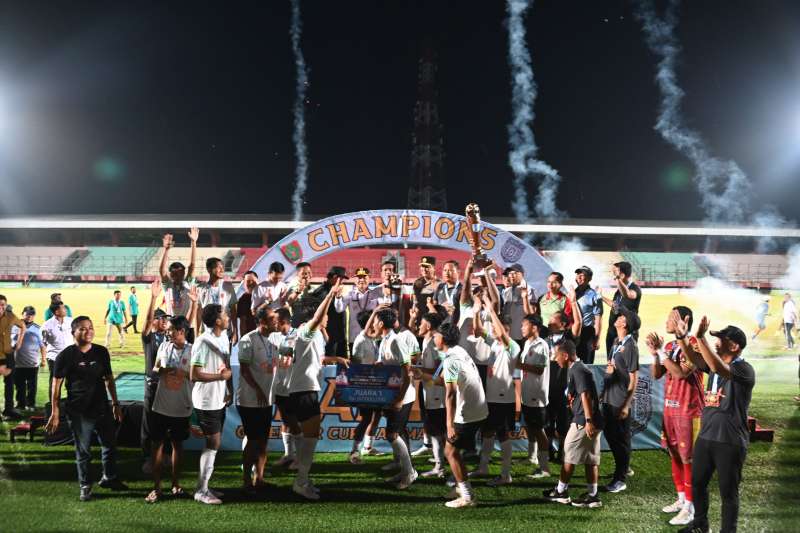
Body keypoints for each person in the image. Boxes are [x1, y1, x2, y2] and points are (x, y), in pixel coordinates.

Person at [670, 315, 755, 533]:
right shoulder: (714, 366)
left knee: (728, 492)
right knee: (697, 483)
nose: (716, 342)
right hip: (706, 437)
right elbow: (695, 359)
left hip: (730, 440)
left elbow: (717, 367)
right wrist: (682, 337)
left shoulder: (744, 369)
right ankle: (700, 525)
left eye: (721, 339)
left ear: (734, 346)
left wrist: (700, 337)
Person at [45, 316, 128, 501]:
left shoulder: (101, 352)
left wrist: (115, 404)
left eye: (90, 327)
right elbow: (56, 385)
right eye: (82, 329)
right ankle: (85, 485)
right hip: (79, 411)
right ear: (73, 332)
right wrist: (55, 411)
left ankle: (109, 478)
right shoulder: (65, 356)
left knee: (109, 445)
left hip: (102, 408)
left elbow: (109, 379)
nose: (88, 331)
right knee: (84, 451)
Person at [285, 278, 349, 500]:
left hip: (303, 388)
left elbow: (317, 359)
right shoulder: (306, 330)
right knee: (311, 437)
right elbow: (316, 319)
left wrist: (336, 359)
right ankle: (301, 481)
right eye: (324, 315)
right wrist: (330, 295)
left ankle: (303, 477)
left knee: (309, 436)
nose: (327, 317)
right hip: (304, 389)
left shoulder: (313, 336)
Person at [647, 306, 705, 526]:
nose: (666, 322)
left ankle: (691, 507)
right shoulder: (671, 346)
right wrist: (655, 354)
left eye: (671, 318)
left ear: (684, 320)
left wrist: (661, 352)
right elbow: (657, 374)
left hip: (688, 410)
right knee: (674, 455)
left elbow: (681, 374)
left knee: (688, 458)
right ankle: (681, 499)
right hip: (670, 409)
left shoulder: (694, 345)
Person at [544, 339, 604, 509]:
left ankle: (561, 492)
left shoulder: (578, 370)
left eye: (556, 355)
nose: (554, 359)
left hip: (583, 421)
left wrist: (588, 421)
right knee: (590, 459)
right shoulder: (577, 368)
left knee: (569, 455)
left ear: (565, 355)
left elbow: (586, 395)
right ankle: (593, 496)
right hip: (589, 419)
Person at [437, 322, 488, 508]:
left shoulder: (450, 359)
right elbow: (444, 380)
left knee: (450, 451)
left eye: (436, 335)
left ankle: (467, 496)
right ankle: (460, 488)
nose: (434, 338)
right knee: (454, 451)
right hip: (479, 408)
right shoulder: (459, 351)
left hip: (467, 411)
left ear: (443, 339)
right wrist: (424, 376)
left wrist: (449, 424)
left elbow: (450, 394)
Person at [471, 304, 521, 487]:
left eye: (495, 327)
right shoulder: (494, 343)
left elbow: (501, 335)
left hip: (503, 398)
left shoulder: (512, 346)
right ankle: (483, 467)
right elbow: (478, 331)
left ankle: (505, 474)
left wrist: (492, 310)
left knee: (503, 434)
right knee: (487, 432)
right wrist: (476, 311)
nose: (492, 329)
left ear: (506, 329)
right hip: (491, 397)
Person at [145, 315, 194, 503]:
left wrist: (184, 373)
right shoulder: (164, 346)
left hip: (182, 406)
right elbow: (156, 368)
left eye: (171, 329)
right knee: (156, 445)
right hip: (161, 405)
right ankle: (157, 487)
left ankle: (175, 484)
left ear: (181, 331)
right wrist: (164, 370)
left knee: (177, 446)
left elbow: (197, 375)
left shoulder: (193, 350)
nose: (168, 332)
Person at [190, 303, 233, 505]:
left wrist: (229, 388)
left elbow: (225, 367)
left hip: (218, 399)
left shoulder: (223, 337)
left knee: (214, 444)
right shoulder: (202, 342)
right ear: (217, 321)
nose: (228, 317)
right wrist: (220, 377)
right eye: (225, 315)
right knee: (213, 443)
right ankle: (201, 490)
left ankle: (204, 486)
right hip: (206, 401)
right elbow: (194, 374)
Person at [374, 307, 421, 490]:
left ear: (381, 323)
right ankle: (404, 470)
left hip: (403, 396)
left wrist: (400, 399)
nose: (374, 324)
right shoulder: (385, 340)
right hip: (392, 394)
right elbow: (390, 363)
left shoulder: (396, 341)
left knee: (392, 434)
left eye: (376, 320)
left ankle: (410, 473)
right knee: (397, 433)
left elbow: (407, 372)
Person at [237, 307, 278, 495]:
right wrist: (258, 390)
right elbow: (244, 370)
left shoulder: (274, 340)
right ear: (262, 322)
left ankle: (259, 479)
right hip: (249, 400)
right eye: (272, 319)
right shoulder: (248, 340)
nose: (276, 322)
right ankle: (246, 481)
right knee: (253, 441)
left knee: (263, 441)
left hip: (266, 400)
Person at [601, 304, 640, 493]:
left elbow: (634, 378)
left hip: (620, 400)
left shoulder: (630, 346)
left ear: (626, 324)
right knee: (611, 436)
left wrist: (626, 404)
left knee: (620, 439)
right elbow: (614, 369)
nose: (618, 318)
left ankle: (621, 478)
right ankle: (622, 467)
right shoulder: (617, 342)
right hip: (609, 398)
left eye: (622, 317)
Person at [140, 280, 177, 475]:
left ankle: (166, 454)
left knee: (167, 420)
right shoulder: (148, 337)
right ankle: (148, 457)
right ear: (154, 321)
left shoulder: (170, 337)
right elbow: (146, 323)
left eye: (165, 318)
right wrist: (153, 297)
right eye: (160, 318)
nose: (164, 321)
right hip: (152, 385)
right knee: (149, 422)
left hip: (169, 385)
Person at [545, 295, 583, 464]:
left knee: (563, 423)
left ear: (563, 324)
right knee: (547, 422)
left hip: (563, 389)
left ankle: (562, 451)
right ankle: (548, 450)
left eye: (553, 320)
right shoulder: (544, 339)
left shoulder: (569, 340)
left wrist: (573, 302)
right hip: (547, 387)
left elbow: (578, 323)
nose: (549, 322)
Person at [517, 313, 552, 479]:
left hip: (537, 395)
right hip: (527, 392)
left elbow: (539, 369)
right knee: (531, 427)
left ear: (534, 327)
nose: (522, 328)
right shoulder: (527, 343)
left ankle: (545, 468)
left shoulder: (542, 345)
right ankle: (532, 457)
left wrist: (519, 365)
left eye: (525, 325)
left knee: (538, 430)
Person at [348, 307, 385, 463]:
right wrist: (376, 310)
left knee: (376, 415)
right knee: (366, 418)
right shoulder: (361, 339)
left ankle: (368, 446)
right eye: (374, 320)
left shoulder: (371, 339)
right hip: (364, 385)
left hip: (374, 383)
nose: (376, 323)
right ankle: (354, 451)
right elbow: (356, 365)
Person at [412, 311, 446, 477]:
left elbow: (440, 369)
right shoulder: (426, 341)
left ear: (429, 326)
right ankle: (439, 463)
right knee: (433, 427)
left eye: (421, 323)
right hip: (428, 389)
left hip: (436, 391)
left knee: (437, 429)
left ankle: (441, 466)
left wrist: (420, 370)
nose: (419, 326)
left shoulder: (434, 343)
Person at [271, 307, 302, 468]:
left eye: (275, 321)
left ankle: (300, 458)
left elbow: (296, 354)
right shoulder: (273, 336)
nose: (273, 324)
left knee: (294, 421)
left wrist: (279, 350)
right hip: (279, 386)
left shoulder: (298, 335)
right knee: (284, 419)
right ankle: (289, 454)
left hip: (293, 386)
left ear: (283, 321)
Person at [600, 261, 642, 357]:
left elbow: (627, 294)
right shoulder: (619, 290)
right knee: (611, 362)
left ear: (622, 275)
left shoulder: (635, 289)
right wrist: (601, 297)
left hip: (625, 333)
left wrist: (618, 279)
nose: (613, 275)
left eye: (615, 272)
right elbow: (615, 305)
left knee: (624, 362)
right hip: (613, 332)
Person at [335, 267, 378, 355]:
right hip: (354, 337)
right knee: (355, 362)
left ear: (369, 279)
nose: (361, 280)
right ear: (355, 280)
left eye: (364, 277)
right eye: (359, 277)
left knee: (371, 361)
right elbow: (339, 309)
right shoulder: (349, 294)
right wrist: (338, 297)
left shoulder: (375, 295)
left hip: (372, 337)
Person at [308, 266, 348, 357]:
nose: (342, 282)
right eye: (341, 279)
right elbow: (318, 316)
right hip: (330, 336)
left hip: (339, 335)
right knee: (330, 362)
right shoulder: (321, 292)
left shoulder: (332, 289)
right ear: (335, 277)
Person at [11, 306, 46, 411]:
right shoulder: (13, 326)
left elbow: (42, 346)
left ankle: (31, 404)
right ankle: (20, 404)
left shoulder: (38, 328)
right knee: (19, 385)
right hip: (17, 362)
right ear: (22, 314)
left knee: (32, 386)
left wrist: (43, 359)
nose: (30, 316)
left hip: (32, 362)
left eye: (32, 314)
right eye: (27, 314)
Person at [196, 257, 238, 343]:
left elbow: (233, 310)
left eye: (223, 267)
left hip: (225, 333)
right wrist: (197, 331)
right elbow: (199, 312)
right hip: (207, 333)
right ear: (209, 269)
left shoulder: (228, 287)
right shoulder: (201, 288)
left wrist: (235, 331)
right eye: (218, 267)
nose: (222, 270)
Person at [159, 229, 198, 321]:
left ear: (184, 273)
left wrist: (193, 242)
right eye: (175, 274)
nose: (178, 276)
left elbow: (192, 266)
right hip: (171, 324)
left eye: (181, 273)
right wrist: (166, 250)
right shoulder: (167, 286)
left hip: (186, 324)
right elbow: (162, 270)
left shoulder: (188, 283)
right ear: (170, 274)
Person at [1, 294, 25, 420]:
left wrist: (19, 342)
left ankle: (9, 409)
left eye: (3, 305)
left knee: (10, 383)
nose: (1, 307)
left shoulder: (10, 316)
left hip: (8, 354)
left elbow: (22, 326)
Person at [42, 301, 73, 398]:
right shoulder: (47, 325)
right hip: (54, 358)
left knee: (72, 382)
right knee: (55, 384)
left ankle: (72, 403)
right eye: (63, 308)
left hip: (71, 357)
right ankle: (53, 404)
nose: (65, 309)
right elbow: (43, 343)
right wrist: (43, 359)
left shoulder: (71, 321)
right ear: (56, 312)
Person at [500, 263, 536, 346]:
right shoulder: (507, 291)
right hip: (509, 335)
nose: (512, 276)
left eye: (515, 273)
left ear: (522, 274)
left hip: (522, 336)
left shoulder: (529, 290)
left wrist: (525, 297)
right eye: (510, 273)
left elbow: (531, 314)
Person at [574, 266, 603, 364]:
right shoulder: (572, 293)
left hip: (587, 333)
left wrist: (597, 339)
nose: (579, 277)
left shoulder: (594, 295)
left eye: (582, 275)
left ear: (589, 278)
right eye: (578, 274)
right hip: (573, 332)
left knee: (586, 364)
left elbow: (598, 319)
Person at [237, 270, 260, 336]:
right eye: (248, 281)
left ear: (258, 281)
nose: (251, 283)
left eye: (253, 281)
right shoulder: (243, 299)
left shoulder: (265, 295)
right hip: (251, 335)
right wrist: (243, 338)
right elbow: (242, 322)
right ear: (244, 284)